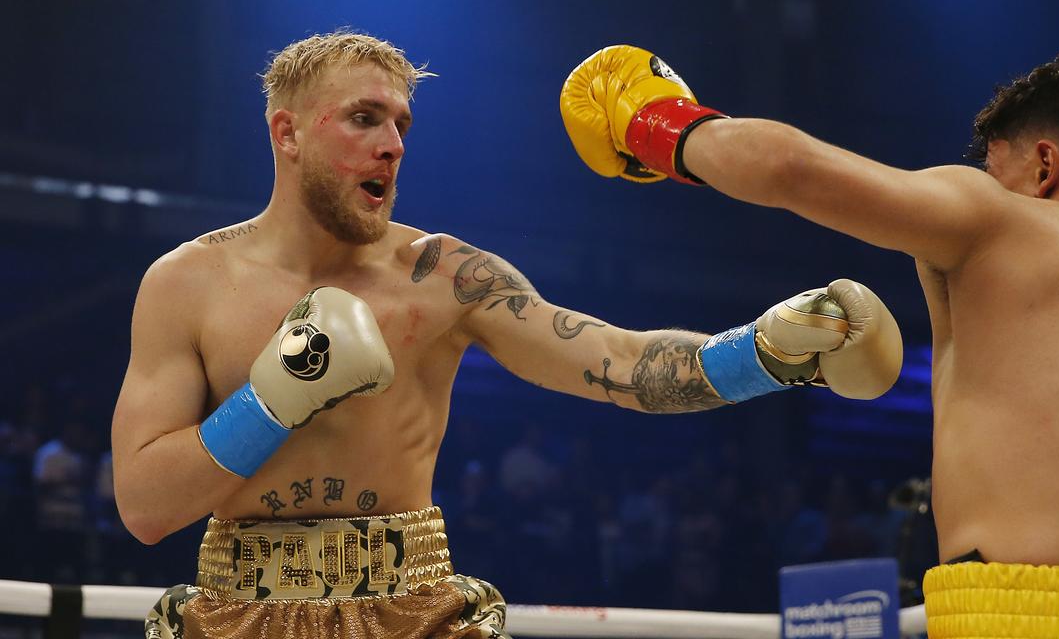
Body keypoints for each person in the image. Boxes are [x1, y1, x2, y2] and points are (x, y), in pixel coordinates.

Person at [110, 31, 904, 639]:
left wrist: (764, 352)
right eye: (363, 118)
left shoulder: (445, 275)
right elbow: (145, 507)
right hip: (236, 615)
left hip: (412, 612)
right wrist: (276, 396)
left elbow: (619, 363)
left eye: (401, 123)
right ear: (286, 134)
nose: (393, 143)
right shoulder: (187, 283)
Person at [561, 46, 1059, 638]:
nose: (987, 185)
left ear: (1045, 165)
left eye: (997, 167)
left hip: (1026, 616)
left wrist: (656, 123)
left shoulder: (998, 222)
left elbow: (792, 171)